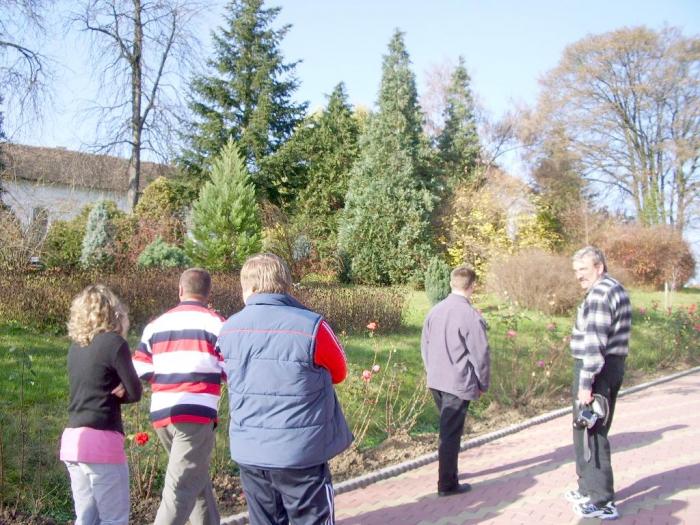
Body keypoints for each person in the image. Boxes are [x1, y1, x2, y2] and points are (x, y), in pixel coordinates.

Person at [217, 253, 353, 525]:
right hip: (300, 451)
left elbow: (226, 376)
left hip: (251, 449)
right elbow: (339, 372)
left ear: (248, 288)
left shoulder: (228, 329)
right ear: (286, 284)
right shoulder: (312, 326)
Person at [133, 268, 225, 525]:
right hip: (196, 412)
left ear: (180, 290)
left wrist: (166, 379)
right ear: (208, 293)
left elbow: (140, 367)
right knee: (181, 488)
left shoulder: (156, 325)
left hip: (163, 412)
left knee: (195, 479)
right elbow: (230, 368)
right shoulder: (217, 323)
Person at [60, 284, 143, 525]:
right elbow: (135, 391)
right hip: (102, 442)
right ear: (113, 312)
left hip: (73, 441)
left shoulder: (75, 348)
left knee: (86, 518)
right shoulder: (114, 343)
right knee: (114, 519)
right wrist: (123, 392)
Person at [565, 246, 631, 520]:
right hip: (610, 366)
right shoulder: (615, 288)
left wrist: (586, 382)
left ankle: (602, 500)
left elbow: (595, 342)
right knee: (586, 430)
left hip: (597, 369)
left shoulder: (601, 294)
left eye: (584, 269)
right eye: (576, 271)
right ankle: (586, 487)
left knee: (593, 434)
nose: (579, 276)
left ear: (599, 267)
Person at [421, 264, 490, 497]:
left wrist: (430, 371)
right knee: (450, 434)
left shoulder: (435, 311)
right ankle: (447, 484)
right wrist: (482, 383)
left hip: (437, 380)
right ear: (472, 286)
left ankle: (449, 471)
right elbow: (480, 355)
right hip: (457, 383)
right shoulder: (470, 316)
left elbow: (425, 346)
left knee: (447, 430)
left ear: (452, 283)